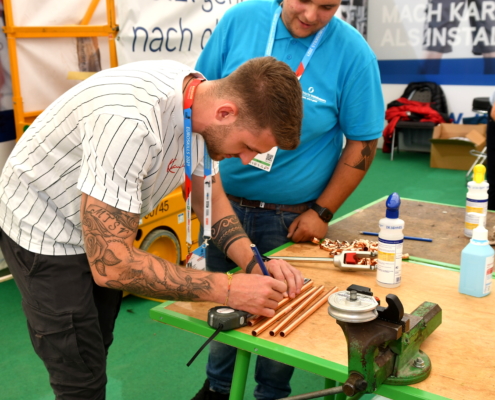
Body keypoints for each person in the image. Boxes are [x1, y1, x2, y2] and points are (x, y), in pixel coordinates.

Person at [0, 56, 305, 399]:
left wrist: (255, 264)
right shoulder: (131, 122)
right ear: (226, 113)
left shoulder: (202, 105)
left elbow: (211, 202)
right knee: (78, 370)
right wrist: (228, 288)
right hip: (45, 225)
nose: (248, 160)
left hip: (94, 227)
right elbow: (112, 265)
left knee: (96, 339)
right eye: (248, 147)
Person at [192, 0, 384, 399]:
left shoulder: (353, 53)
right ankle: (218, 388)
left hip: (290, 219)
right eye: (304, 0)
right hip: (223, 203)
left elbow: (364, 139)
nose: (311, 15)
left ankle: (272, 392)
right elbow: (202, 98)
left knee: (282, 311)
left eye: (327, 6)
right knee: (225, 304)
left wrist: (323, 211)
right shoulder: (239, 22)